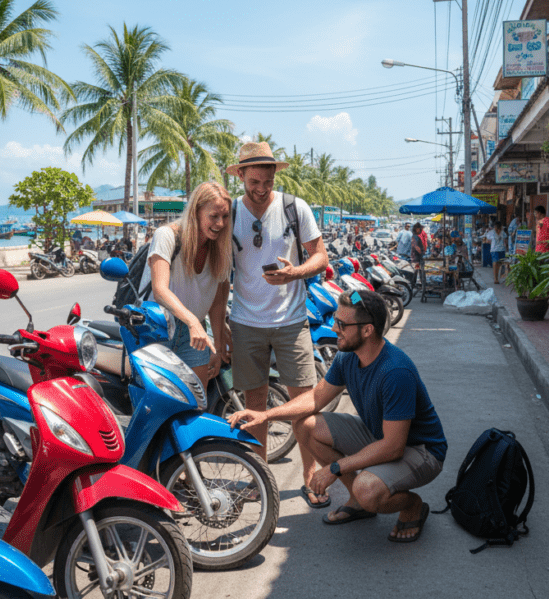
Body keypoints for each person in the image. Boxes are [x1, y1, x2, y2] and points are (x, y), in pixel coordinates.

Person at [228, 290, 446, 543]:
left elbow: (394, 447)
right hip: (380, 435)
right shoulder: (347, 357)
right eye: (335, 321)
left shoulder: (395, 371)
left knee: (367, 489)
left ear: (367, 331)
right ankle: (358, 502)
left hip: (420, 450)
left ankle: (412, 506)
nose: (334, 328)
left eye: (342, 324)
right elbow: (314, 398)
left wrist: (335, 468)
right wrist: (266, 415)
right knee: (306, 424)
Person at [227, 141, 330, 508]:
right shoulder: (229, 212)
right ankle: (261, 479)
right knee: (255, 404)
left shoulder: (294, 207)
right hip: (245, 322)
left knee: (303, 402)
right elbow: (219, 269)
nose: (261, 188)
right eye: (254, 180)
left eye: (267, 181)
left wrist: (294, 274)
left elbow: (321, 255)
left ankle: (309, 477)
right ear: (240, 175)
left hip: (291, 320)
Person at [143, 182, 233, 387]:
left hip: (195, 334)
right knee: (161, 404)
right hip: (158, 328)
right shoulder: (167, 235)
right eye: (214, 216)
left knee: (197, 402)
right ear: (196, 212)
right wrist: (192, 321)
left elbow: (218, 302)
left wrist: (218, 347)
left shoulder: (220, 248)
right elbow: (160, 290)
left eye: (225, 216)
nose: (220, 223)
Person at [410, 222, 428, 292]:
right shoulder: (415, 237)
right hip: (416, 258)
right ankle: (412, 287)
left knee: (419, 272)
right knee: (416, 273)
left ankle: (421, 287)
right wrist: (421, 253)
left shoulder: (416, 237)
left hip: (417, 258)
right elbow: (416, 247)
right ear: (417, 229)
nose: (421, 230)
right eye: (420, 229)